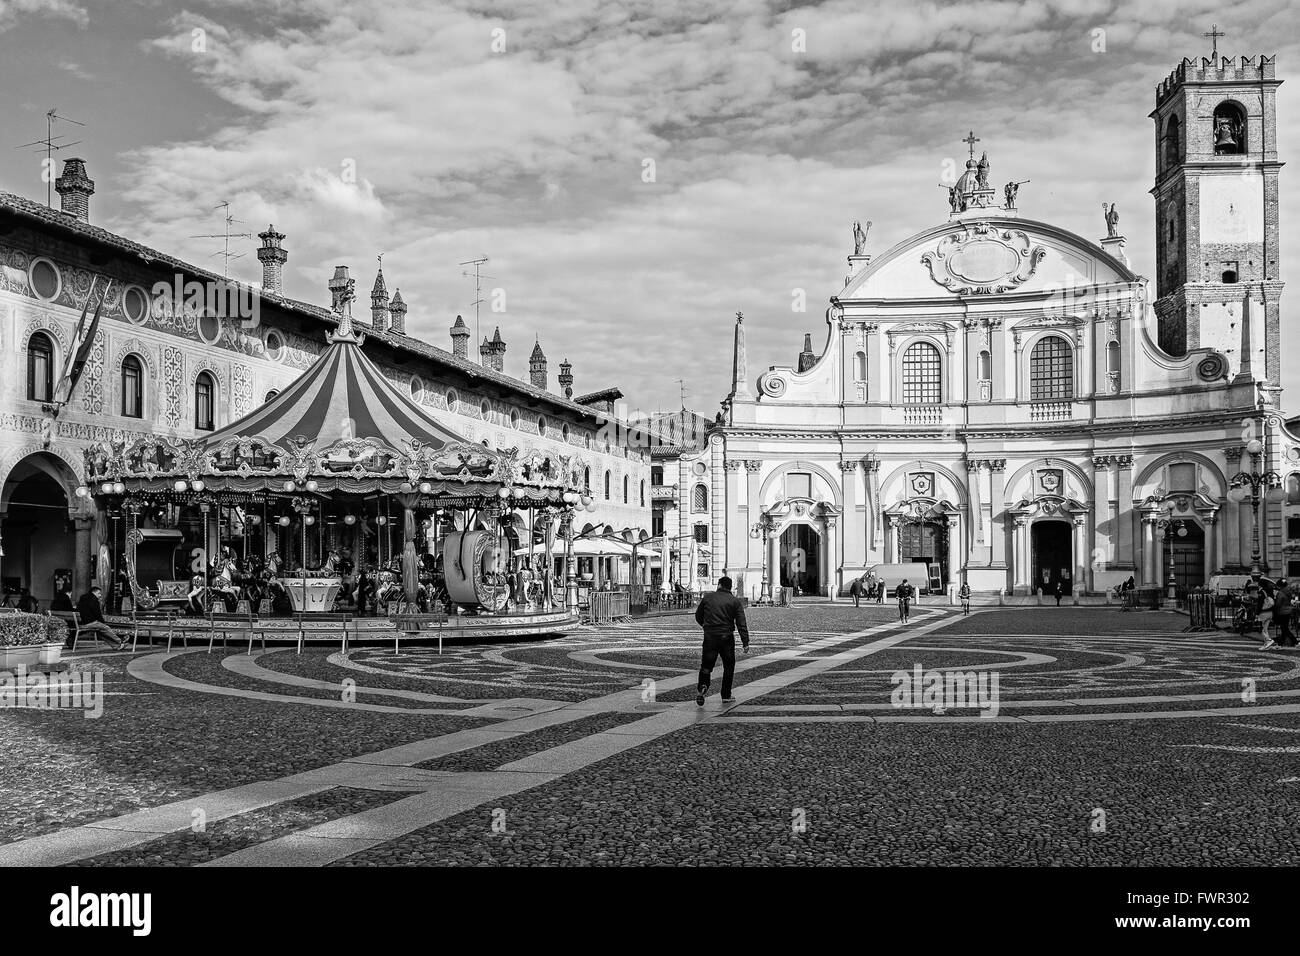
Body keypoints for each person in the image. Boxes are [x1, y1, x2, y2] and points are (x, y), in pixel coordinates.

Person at [694, 576, 750, 706]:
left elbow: (698, 616)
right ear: (730, 587)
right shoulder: (734, 602)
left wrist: (706, 626)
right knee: (728, 666)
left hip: (710, 637)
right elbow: (741, 623)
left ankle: (702, 687)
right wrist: (745, 642)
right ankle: (726, 695)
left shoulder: (708, 598)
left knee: (706, 666)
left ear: (719, 585)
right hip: (726, 637)